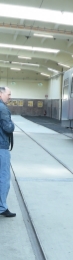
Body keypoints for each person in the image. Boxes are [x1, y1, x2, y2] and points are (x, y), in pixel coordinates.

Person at [0, 87, 14, 218]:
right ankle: (2, 207)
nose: (10, 97)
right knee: (3, 178)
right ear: (1, 93)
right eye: (8, 94)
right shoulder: (3, 108)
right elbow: (8, 127)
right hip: (1, 147)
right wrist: (12, 124)